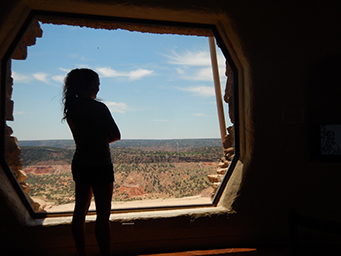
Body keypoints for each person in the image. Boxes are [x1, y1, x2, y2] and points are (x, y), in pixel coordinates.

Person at [62, 68, 121, 256]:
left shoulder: (72, 109)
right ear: (89, 85)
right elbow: (116, 135)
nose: (99, 87)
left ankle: (81, 253)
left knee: (80, 212)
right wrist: (102, 139)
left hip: (80, 162)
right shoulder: (99, 108)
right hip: (101, 164)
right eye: (97, 83)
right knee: (103, 216)